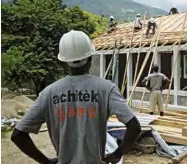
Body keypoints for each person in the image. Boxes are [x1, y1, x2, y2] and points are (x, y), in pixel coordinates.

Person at [11, 30, 141, 164]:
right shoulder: (106, 89)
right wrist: (117, 154)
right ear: (90, 58)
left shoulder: (49, 93)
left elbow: (17, 135)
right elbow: (134, 126)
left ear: (64, 62)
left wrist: (45, 161)